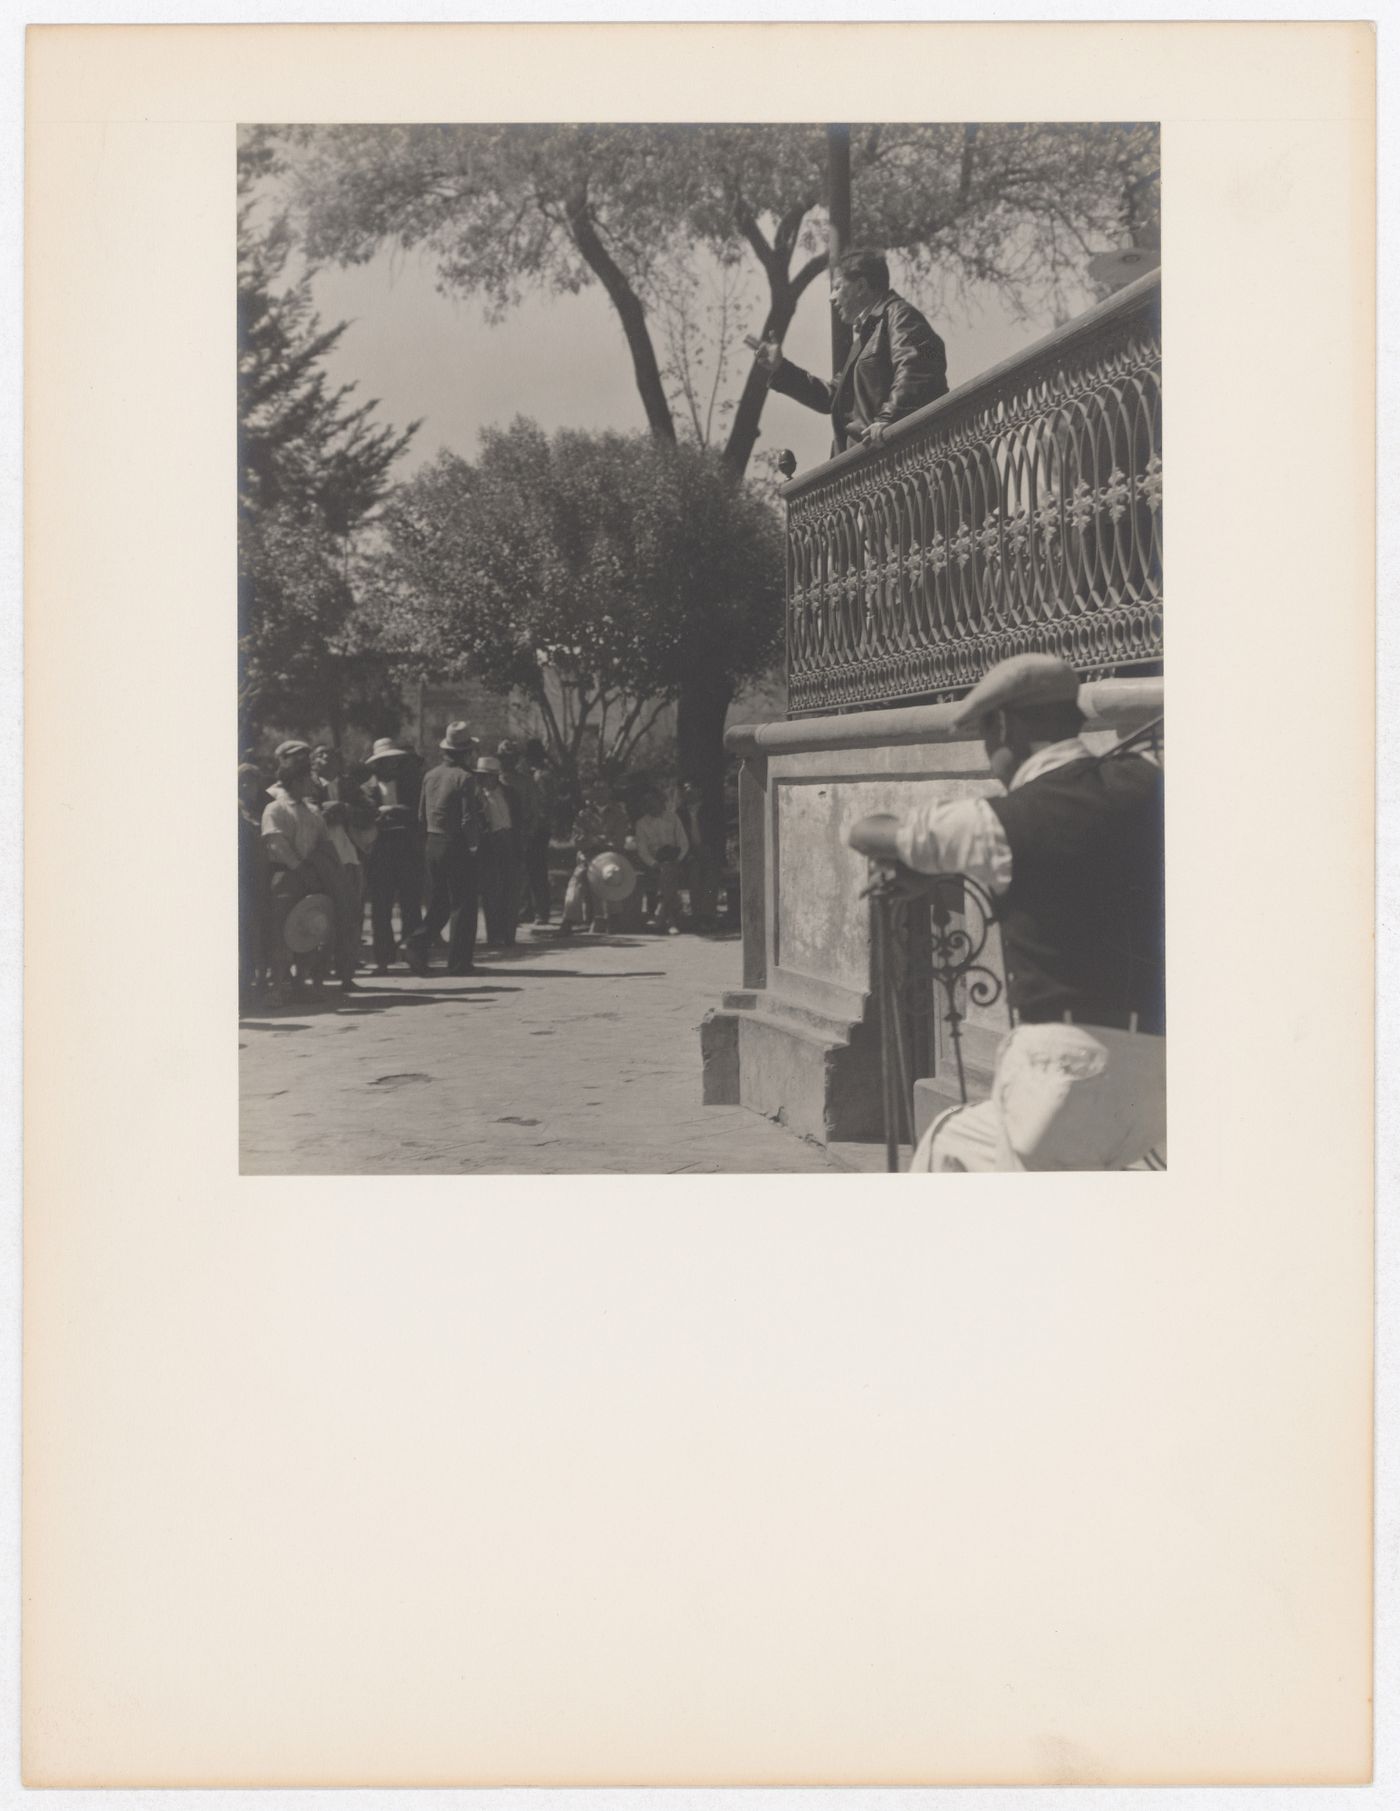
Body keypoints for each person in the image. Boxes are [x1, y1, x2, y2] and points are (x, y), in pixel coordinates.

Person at [847, 654, 1165, 1172]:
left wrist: (919, 870)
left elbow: (868, 833)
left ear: (1001, 726)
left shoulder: (1005, 819)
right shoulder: (1150, 782)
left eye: (984, 734)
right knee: (949, 1142)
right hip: (1156, 1080)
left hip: (1061, 1069)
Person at [751, 247, 948, 455]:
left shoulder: (900, 315)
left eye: (837, 287)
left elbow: (917, 369)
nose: (831, 297)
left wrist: (889, 420)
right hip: (864, 462)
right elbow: (831, 396)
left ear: (861, 286)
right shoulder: (866, 337)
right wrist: (781, 368)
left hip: (894, 458)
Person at [260, 740, 356, 1004]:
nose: (312, 786)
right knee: (281, 931)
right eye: (306, 781)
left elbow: (325, 843)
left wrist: (321, 869)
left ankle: (302, 984)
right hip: (285, 877)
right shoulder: (276, 809)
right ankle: (277, 987)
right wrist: (300, 868)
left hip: (312, 877)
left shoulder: (313, 812)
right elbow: (276, 844)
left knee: (309, 929)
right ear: (295, 781)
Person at [404, 721, 483, 978]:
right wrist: (473, 846)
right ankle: (459, 962)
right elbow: (468, 818)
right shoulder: (466, 778)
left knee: (439, 903)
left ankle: (417, 943)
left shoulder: (430, 775)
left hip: (433, 841)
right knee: (463, 903)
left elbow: (421, 815)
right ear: (466, 752)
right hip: (456, 843)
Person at [362, 736, 426, 973]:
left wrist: (394, 810)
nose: (389, 766)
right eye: (384, 761)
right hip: (380, 850)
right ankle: (382, 959)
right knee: (381, 907)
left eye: (393, 761)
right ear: (376, 764)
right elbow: (364, 816)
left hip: (407, 848)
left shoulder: (411, 784)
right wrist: (376, 816)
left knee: (411, 904)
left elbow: (419, 812)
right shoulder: (367, 788)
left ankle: (415, 957)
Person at [558, 780, 632, 935]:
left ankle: (613, 918)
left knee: (612, 873)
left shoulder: (619, 814)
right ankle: (568, 920)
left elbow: (618, 841)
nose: (600, 793)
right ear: (592, 793)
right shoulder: (584, 815)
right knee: (577, 879)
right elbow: (578, 840)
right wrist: (600, 839)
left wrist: (593, 839)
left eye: (603, 789)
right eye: (596, 790)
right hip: (588, 857)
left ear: (609, 792)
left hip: (611, 857)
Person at [632, 787, 690, 935]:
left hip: (674, 860)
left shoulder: (673, 818)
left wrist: (678, 860)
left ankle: (661, 915)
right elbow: (642, 850)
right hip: (653, 863)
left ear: (661, 801)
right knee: (667, 872)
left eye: (654, 802)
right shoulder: (641, 823)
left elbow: (683, 843)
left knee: (668, 870)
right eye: (647, 803)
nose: (651, 806)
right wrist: (654, 864)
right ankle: (670, 920)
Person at [474, 754, 517, 949]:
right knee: (491, 890)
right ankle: (495, 935)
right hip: (489, 843)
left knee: (511, 887)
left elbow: (519, 816)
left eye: (490, 775)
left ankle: (509, 933)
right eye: (483, 776)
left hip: (509, 840)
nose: (486, 779)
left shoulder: (509, 793)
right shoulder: (476, 796)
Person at [496, 739, 542, 925]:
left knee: (519, 874)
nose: (508, 761)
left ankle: (521, 911)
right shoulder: (494, 780)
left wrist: (529, 832)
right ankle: (502, 912)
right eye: (504, 758)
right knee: (499, 874)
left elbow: (534, 810)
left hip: (518, 832)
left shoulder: (525, 782)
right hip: (497, 832)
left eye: (512, 758)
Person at [238, 762, 270, 1007]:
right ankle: (244, 984)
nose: (246, 786)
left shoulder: (263, 808)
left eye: (251, 782)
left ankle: (257, 980)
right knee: (243, 933)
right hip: (241, 878)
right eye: (242, 781)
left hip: (259, 876)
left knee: (258, 930)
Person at [522, 737, 557, 924]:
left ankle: (541, 911)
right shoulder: (538, 774)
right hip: (537, 826)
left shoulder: (541, 776)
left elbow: (543, 805)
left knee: (536, 869)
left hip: (539, 828)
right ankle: (530, 909)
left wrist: (534, 827)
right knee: (531, 869)